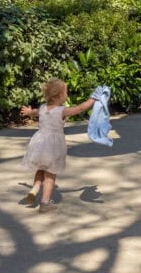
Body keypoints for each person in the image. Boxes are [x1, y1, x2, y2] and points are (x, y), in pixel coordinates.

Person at [20, 78, 95, 213]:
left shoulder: (42, 108)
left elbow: (33, 113)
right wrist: (93, 100)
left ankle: (34, 189)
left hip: (40, 143)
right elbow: (79, 108)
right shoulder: (61, 111)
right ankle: (45, 203)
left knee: (40, 169)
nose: (67, 94)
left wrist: (28, 111)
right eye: (66, 92)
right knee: (50, 174)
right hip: (53, 146)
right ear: (60, 96)